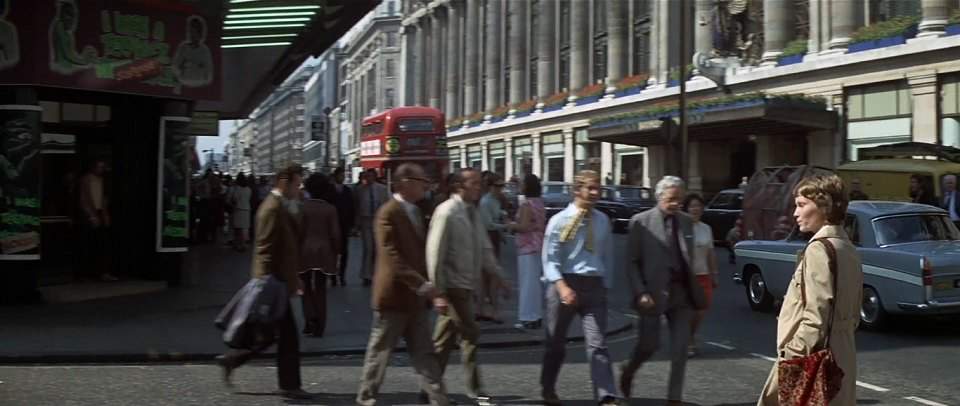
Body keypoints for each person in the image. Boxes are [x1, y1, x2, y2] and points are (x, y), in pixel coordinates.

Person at [757, 174, 862, 406]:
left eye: (802, 205)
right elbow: (855, 312)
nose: (795, 213)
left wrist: (791, 355)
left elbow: (816, 316)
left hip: (813, 358)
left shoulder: (819, 249)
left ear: (824, 206)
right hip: (843, 355)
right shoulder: (847, 248)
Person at [216, 164, 315, 400]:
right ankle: (289, 385)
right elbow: (265, 249)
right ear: (284, 182)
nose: (299, 188)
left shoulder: (283, 205)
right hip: (273, 282)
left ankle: (233, 359)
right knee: (287, 336)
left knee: (271, 335)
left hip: (280, 281)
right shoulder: (271, 209)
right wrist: (267, 282)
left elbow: (291, 242)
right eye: (296, 183)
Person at [356, 163, 450, 406]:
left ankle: (439, 399)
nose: (425, 186)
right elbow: (391, 256)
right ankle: (366, 399)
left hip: (415, 299)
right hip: (393, 297)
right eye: (421, 181)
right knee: (380, 353)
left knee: (425, 354)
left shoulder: (416, 211)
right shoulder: (387, 212)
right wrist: (421, 285)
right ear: (405, 182)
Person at [621, 176, 706, 406]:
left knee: (680, 349)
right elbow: (631, 262)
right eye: (671, 199)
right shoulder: (640, 222)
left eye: (680, 199)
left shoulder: (687, 221)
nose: (676, 203)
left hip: (681, 294)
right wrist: (641, 292)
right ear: (659, 197)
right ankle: (628, 371)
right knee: (648, 346)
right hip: (652, 293)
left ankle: (674, 399)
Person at [540, 170, 621, 406]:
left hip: (593, 287)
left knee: (598, 344)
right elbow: (549, 259)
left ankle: (606, 395)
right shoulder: (558, 221)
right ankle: (548, 388)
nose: (596, 193)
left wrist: (605, 286)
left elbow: (607, 256)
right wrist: (563, 287)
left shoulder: (603, 221)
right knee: (555, 344)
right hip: (563, 284)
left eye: (598, 188)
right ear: (577, 190)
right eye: (590, 188)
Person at [426, 167, 507, 404]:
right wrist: (437, 291)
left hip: (466, 285)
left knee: (443, 341)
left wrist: (498, 275)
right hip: (452, 287)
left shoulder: (472, 211)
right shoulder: (447, 212)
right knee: (471, 334)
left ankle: (429, 387)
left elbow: (484, 247)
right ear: (459, 186)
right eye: (473, 183)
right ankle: (475, 388)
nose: (478, 187)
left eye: (479, 183)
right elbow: (434, 253)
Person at [299, 173, 341, 338]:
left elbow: (299, 232)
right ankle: (320, 325)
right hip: (324, 251)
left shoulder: (302, 207)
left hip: (305, 250)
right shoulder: (330, 209)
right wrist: (337, 253)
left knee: (306, 287)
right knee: (321, 289)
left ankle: (309, 319)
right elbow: (335, 234)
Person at [506, 174, 546, 329]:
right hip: (538, 244)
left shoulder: (526, 204)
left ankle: (527, 317)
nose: (520, 186)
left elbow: (523, 226)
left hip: (526, 246)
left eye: (522, 183)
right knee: (534, 282)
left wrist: (510, 224)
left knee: (527, 283)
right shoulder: (539, 202)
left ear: (527, 186)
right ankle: (536, 316)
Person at [682, 194, 719, 357]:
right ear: (686, 209)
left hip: (704, 275)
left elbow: (710, 253)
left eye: (698, 206)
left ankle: (688, 335)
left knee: (701, 310)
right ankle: (688, 340)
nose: (695, 209)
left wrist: (714, 273)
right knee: (690, 311)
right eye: (692, 206)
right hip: (686, 277)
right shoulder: (681, 228)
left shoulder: (706, 228)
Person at [77, 159, 118, 282]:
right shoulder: (85, 179)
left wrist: (105, 214)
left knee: (103, 244)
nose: (102, 169)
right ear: (93, 167)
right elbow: (83, 199)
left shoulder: (104, 181)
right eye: (100, 167)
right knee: (87, 244)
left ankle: (103, 272)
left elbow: (105, 198)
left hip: (100, 211)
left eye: (103, 167)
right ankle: (85, 273)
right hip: (89, 212)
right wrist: (91, 215)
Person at [477, 173, 508, 323]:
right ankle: (493, 311)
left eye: (502, 186)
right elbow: (488, 224)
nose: (501, 189)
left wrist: (502, 231)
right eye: (498, 186)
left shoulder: (496, 200)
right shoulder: (485, 202)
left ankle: (482, 309)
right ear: (490, 187)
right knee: (492, 276)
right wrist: (506, 226)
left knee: (487, 277)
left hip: (494, 238)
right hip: (486, 238)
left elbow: (496, 217)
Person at [355, 168, 388, 286]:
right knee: (368, 248)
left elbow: (387, 204)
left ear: (374, 177)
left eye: (370, 176)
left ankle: (377, 273)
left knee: (377, 249)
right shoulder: (359, 190)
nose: (368, 179)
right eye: (366, 176)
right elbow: (357, 206)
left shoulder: (382, 189)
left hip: (378, 220)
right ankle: (366, 275)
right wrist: (356, 223)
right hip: (366, 220)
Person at [331, 167, 355, 286]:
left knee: (345, 252)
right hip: (332, 225)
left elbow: (351, 207)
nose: (343, 177)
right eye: (341, 175)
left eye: (343, 175)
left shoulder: (347, 190)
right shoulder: (329, 190)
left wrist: (352, 224)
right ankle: (332, 276)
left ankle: (342, 275)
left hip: (344, 225)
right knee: (333, 251)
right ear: (335, 176)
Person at [228, 173, 253, 251]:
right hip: (247, 210)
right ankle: (242, 245)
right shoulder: (248, 189)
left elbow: (235, 199)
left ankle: (239, 245)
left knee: (237, 229)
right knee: (243, 229)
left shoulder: (237, 189)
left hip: (238, 210)